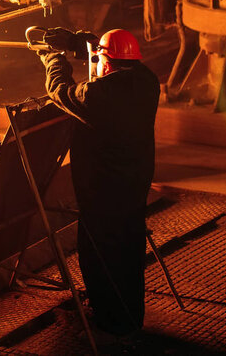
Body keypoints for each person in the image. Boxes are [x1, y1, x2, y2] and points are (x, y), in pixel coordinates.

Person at [36, 28, 160, 339]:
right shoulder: (147, 81)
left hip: (102, 193)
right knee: (128, 252)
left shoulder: (96, 97)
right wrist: (80, 45)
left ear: (106, 61)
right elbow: (109, 63)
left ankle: (108, 324)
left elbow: (60, 90)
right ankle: (131, 318)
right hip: (133, 187)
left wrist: (53, 58)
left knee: (99, 257)